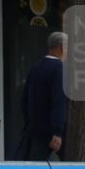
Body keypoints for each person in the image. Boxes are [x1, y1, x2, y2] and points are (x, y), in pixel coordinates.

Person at [17, 32, 67, 161]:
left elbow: (24, 101)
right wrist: (57, 131)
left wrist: (29, 122)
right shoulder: (59, 69)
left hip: (33, 130)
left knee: (33, 166)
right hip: (50, 134)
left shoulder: (36, 67)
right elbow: (58, 102)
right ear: (62, 48)